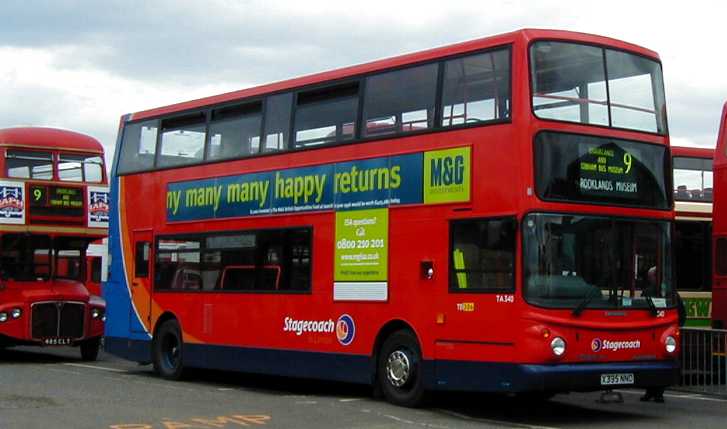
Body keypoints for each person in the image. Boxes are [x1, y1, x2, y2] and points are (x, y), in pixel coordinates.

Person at [640, 272, 686, 403]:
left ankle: (652, 392)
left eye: (651, 277)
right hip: (660, 332)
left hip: (652, 333)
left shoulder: (650, 292)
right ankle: (655, 393)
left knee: (653, 360)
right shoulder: (670, 293)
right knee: (656, 360)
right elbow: (681, 313)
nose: (650, 279)